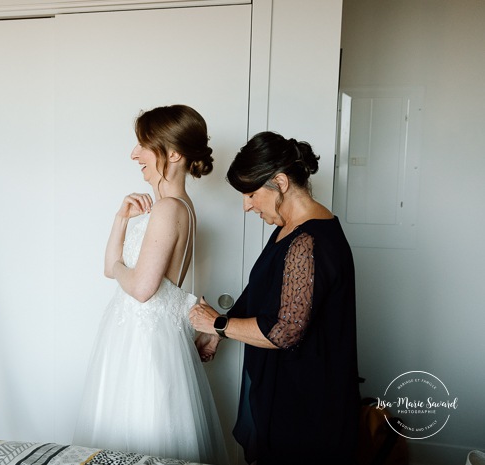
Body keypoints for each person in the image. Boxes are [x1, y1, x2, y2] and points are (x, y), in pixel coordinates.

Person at [189, 131, 360, 464]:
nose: (246, 205)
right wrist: (215, 335)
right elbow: (262, 290)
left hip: (307, 402)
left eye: (252, 193)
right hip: (285, 392)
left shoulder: (309, 241)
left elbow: (284, 331)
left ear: (280, 182)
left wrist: (219, 323)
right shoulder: (288, 228)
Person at [73, 105, 228, 464]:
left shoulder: (169, 208)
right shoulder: (176, 207)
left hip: (142, 344)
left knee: (142, 436)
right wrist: (121, 218)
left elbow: (141, 288)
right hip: (140, 336)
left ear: (172, 153)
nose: (134, 154)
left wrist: (117, 265)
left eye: (143, 144)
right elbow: (110, 270)